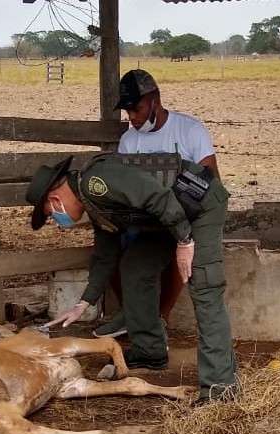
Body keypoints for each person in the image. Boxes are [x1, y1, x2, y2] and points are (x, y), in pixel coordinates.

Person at [25, 155, 237, 403]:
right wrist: (83, 302)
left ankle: (219, 388)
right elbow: (105, 255)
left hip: (199, 205)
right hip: (168, 216)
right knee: (136, 267)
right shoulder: (93, 203)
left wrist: (185, 241)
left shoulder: (97, 181)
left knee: (203, 284)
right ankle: (149, 351)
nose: (57, 221)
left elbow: (157, 196)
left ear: (55, 199)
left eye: (51, 214)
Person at [93, 69, 220, 339]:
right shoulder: (129, 140)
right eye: (128, 113)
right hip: (144, 219)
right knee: (113, 248)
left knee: (179, 250)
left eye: (137, 110)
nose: (133, 119)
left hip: (185, 215)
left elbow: (210, 179)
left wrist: (178, 216)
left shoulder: (189, 130)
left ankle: (160, 316)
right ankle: (134, 314)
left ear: (155, 100)